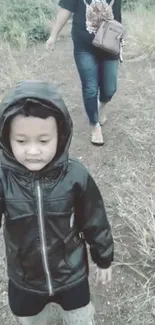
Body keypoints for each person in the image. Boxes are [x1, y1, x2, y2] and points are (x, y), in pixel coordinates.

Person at [0, 80, 114, 325]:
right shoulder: (3, 178)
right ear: (6, 138)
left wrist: (103, 259)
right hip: (24, 279)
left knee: (80, 318)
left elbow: (95, 220)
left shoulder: (75, 176)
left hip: (71, 275)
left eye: (43, 141)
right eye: (21, 141)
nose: (33, 151)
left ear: (60, 136)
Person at [46, 0, 123, 146]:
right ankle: (95, 125)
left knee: (110, 89)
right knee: (90, 87)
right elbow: (66, 10)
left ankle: (101, 106)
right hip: (84, 47)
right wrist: (53, 35)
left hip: (110, 43)